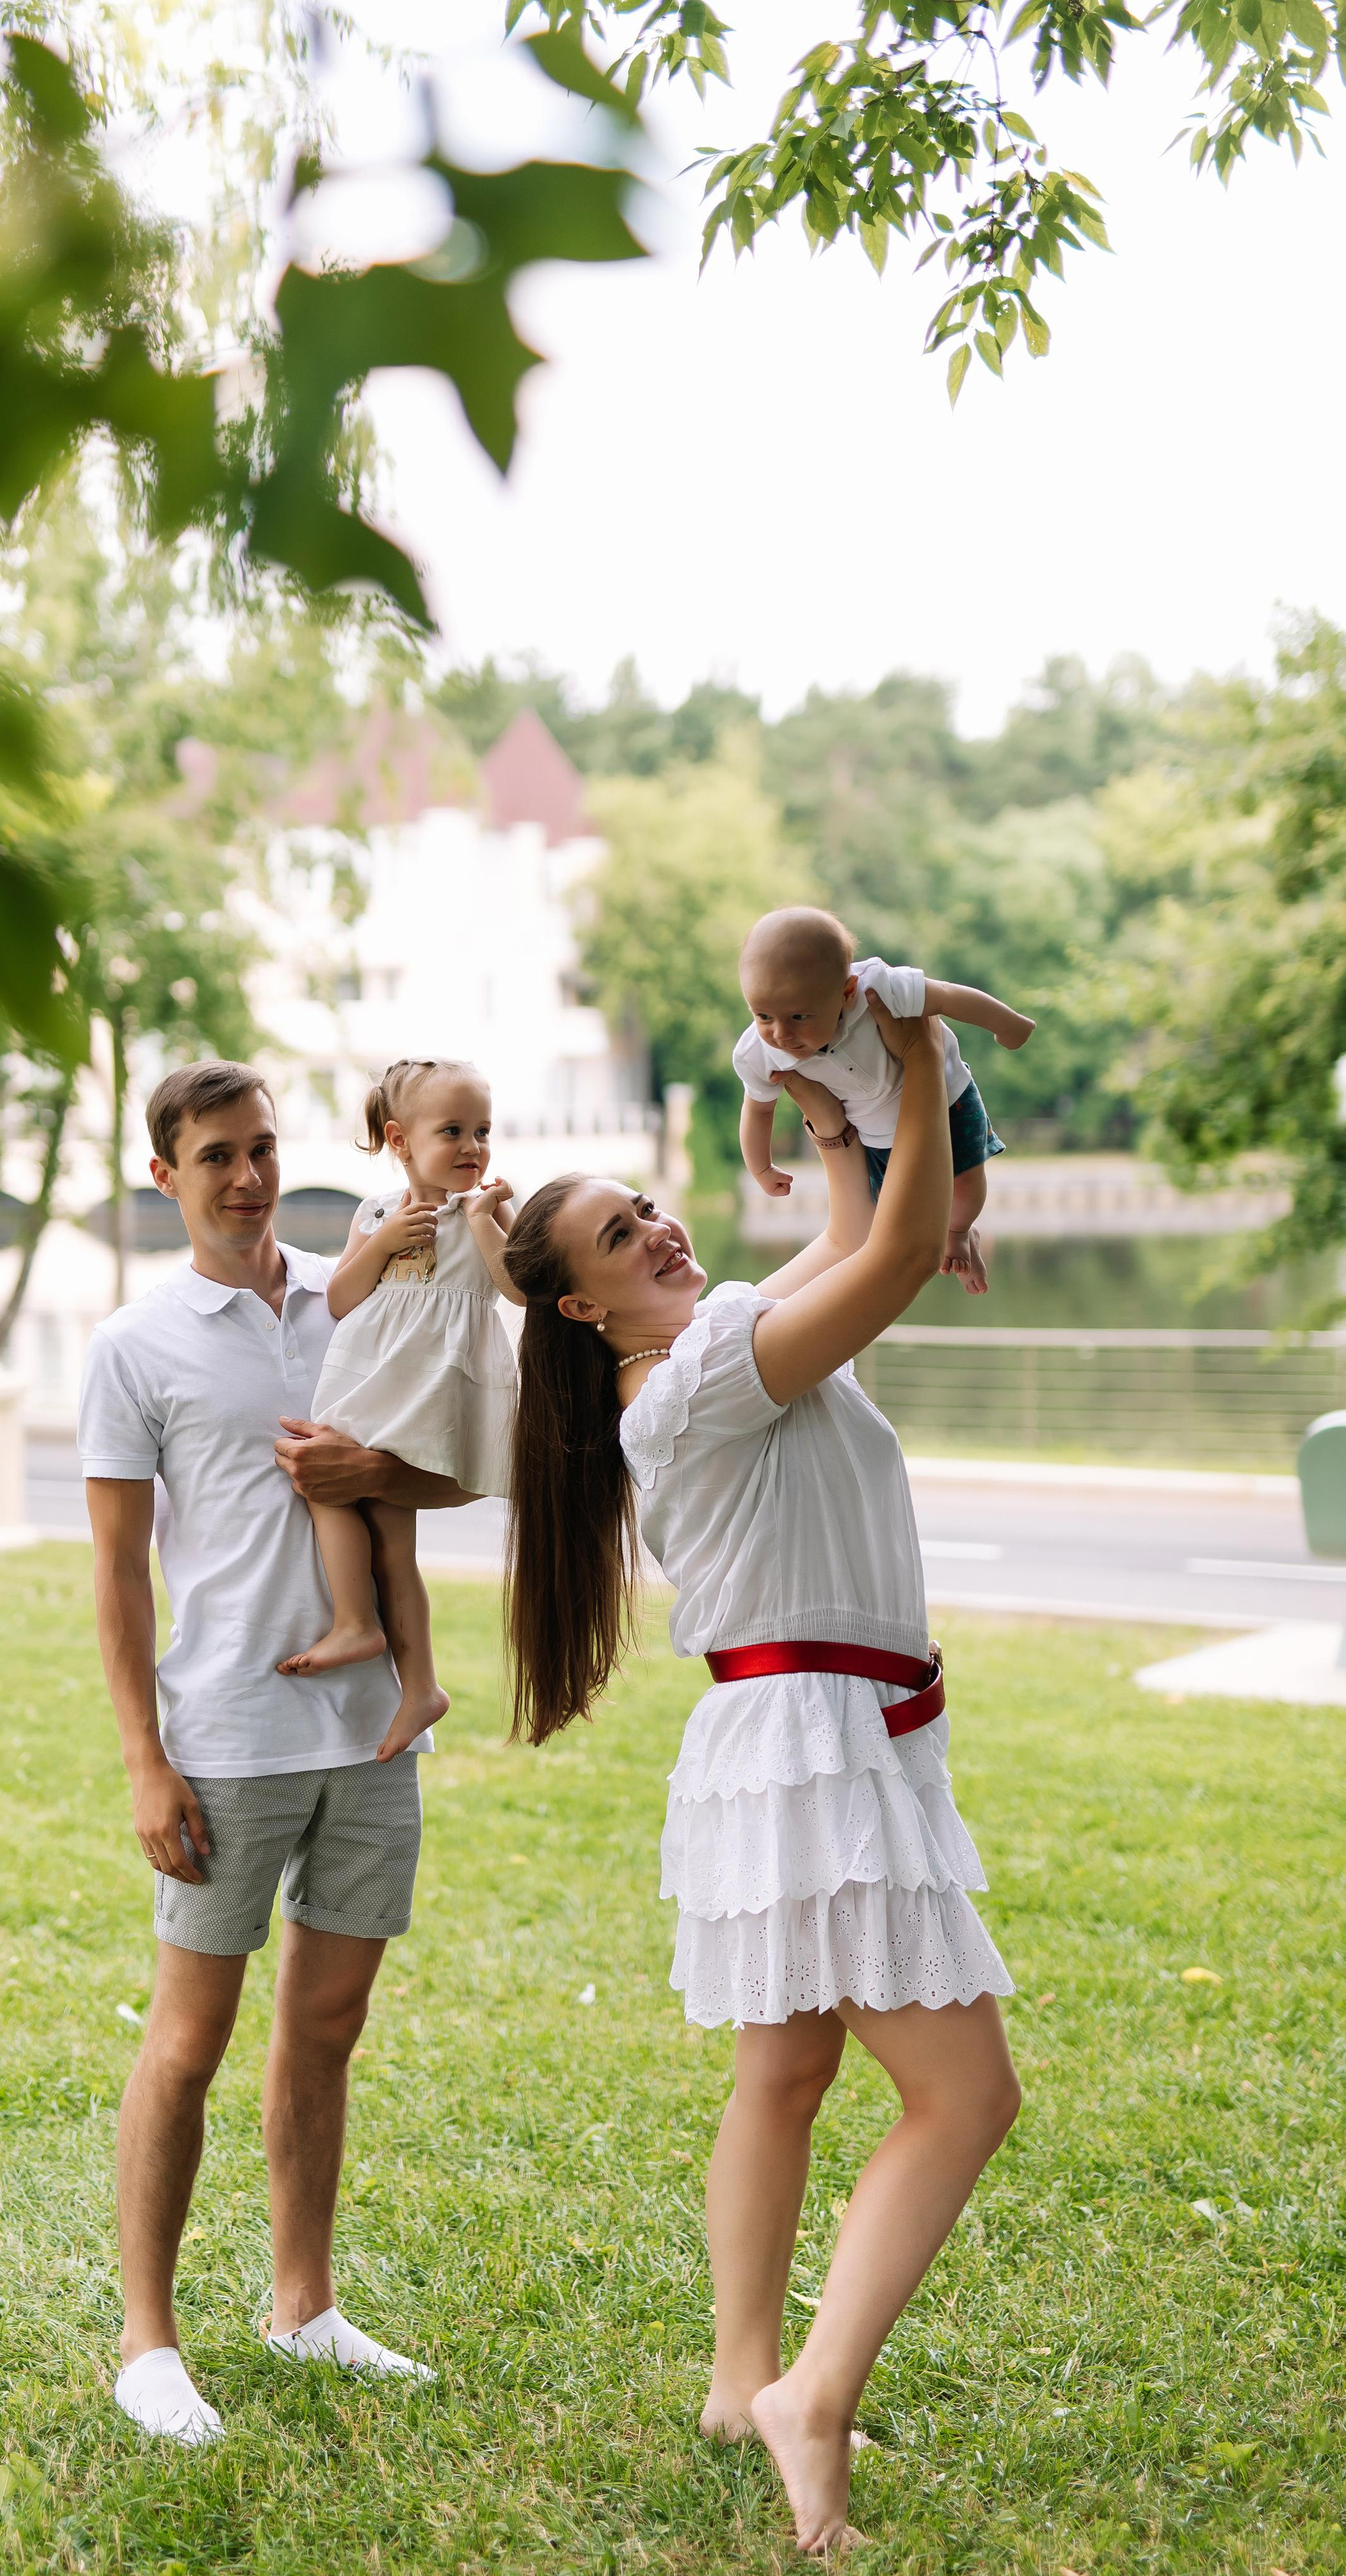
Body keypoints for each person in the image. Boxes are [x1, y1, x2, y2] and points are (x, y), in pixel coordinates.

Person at [501, 1010, 1021, 2560]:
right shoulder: (699, 1374)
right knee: (963, 2095)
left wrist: (824, 1106)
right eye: (616, 1231)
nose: (655, 1223)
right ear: (580, 1305)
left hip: (803, 1735)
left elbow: (860, 1226)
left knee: (782, 2076)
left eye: (642, 1202)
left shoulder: (704, 1344)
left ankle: (740, 2379)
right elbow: (904, 1245)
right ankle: (808, 2393)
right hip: (809, 1743)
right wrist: (916, 1050)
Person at [78, 1059, 470, 2448]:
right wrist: (144, 1757)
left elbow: (445, 1463)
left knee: (326, 2025)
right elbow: (120, 1578)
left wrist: (376, 1478)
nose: (246, 1179)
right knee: (187, 2040)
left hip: (367, 1728)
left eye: (259, 1150)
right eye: (214, 1159)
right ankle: (146, 2343)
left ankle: (301, 2309)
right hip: (229, 1734)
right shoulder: (134, 1347)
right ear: (164, 1178)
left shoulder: (355, 1296)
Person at [276, 1059, 519, 1752]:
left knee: (359, 1505)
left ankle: (367, 1633)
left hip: (433, 1385)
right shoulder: (376, 1212)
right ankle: (414, 1682)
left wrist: (481, 1222)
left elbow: (520, 1289)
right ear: (401, 1139)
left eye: (483, 1130)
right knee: (346, 1501)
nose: (473, 1147)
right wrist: (381, 1244)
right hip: (377, 1380)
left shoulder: (493, 1205)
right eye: (453, 1131)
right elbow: (342, 1299)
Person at [736, 904, 1033, 1294]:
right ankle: (953, 1232)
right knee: (897, 1218)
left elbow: (946, 997)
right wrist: (761, 1167)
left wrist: (1006, 1024)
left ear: (846, 992)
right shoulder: (757, 1054)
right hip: (878, 1134)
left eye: (799, 1017)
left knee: (966, 1187)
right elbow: (758, 1110)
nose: (780, 1034)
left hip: (947, 1099)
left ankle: (960, 1231)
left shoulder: (879, 987)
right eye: (763, 1016)